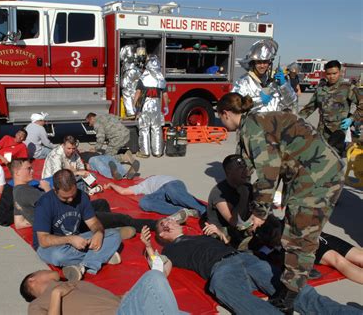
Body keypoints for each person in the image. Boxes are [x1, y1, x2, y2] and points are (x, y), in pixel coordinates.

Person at [216, 92, 344, 312]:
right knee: (295, 234)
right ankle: (291, 287)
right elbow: (258, 165)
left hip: (316, 178)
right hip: (315, 174)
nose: (220, 121)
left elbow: (269, 172)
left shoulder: (253, 129)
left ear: (226, 113)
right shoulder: (254, 122)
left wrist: (260, 212)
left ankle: (287, 298)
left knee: (298, 238)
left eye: (219, 116)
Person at [141, 218, 360, 315]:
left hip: (247, 258)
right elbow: (160, 266)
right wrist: (149, 247)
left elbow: (233, 243)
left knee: (293, 289)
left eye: (169, 220)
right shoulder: (170, 250)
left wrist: (220, 235)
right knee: (225, 289)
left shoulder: (202, 235)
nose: (167, 222)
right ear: (161, 235)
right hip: (222, 269)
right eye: (162, 224)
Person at [11, 158, 154, 235]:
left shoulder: (17, 192)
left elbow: (18, 224)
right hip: (68, 221)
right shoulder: (27, 192)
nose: (32, 170)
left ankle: (108, 229)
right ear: (17, 172)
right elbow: (55, 206)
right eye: (28, 169)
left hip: (61, 218)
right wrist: (48, 190)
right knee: (123, 218)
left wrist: (34, 219)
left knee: (102, 203)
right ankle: (156, 225)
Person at [33, 169, 122, 281]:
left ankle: (84, 265)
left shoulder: (82, 196)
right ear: (55, 190)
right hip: (52, 246)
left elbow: (93, 222)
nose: (70, 200)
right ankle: (101, 256)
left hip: (78, 240)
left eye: (73, 195)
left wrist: (98, 233)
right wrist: (70, 239)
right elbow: (43, 240)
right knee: (58, 256)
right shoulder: (44, 203)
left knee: (115, 235)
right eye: (65, 198)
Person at [20, 269, 184, 315]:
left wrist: (131, 295)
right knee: (153, 277)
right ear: (32, 280)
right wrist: (56, 294)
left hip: (126, 309)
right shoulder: (37, 304)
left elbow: (111, 300)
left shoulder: (75, 283)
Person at [299, 60, 363, 156]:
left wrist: (351, 119)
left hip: (339, 132)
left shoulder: (347, 88)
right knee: (319, 158)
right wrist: (295, 120)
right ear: (325, 73)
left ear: (340, 72)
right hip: (322, 132)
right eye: (328, 74)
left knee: (333, 159)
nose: (332, 76)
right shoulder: (321, 89)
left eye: (334, 73)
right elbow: (309, 108)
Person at [232, 39, 298, 112]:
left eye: (265, 62)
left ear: (269, 63)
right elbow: (235, 105)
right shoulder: (244, 82)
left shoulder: (275, 82)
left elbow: (292, 102)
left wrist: (284, 86)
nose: (262, 66)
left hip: (273, 121)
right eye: (259, 62)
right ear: (253, 63)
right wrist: (258, 101)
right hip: (252, 122)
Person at [104, 175, 206, 219]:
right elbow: (123, 191)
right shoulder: (142, 185)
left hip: (172, 184)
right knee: (144, 202)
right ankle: (185, 211)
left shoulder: (163, 178)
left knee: (173, 192)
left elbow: (179, 190)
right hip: (159, 193)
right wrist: (112, 185)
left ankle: (204, 211)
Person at [133, 55, 169, 158]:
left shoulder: (143, 78)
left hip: (145, 105)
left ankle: (145, 152)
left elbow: (138, 93)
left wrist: (134, 105)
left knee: (144, 128)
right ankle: (157, 152)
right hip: (156, 104)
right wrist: (166, 106)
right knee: (156, 128)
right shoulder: (161, 78)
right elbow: (165, 95)